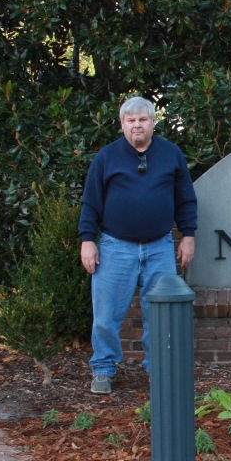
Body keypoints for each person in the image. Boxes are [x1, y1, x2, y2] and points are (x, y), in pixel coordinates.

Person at [78, 96, 198, 395]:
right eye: (130, 121)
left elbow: (185, 198)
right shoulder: (107, 157)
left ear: (153, 122)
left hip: (159, 247)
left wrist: (188, 235)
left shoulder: (171, 154)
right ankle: (103, 369)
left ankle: (159, 369)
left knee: (160, 313)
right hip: (114, 247)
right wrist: (87, 241)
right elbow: (91, 202)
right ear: (122, 124)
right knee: (106, 315)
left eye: (143, 120)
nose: (137, 126)